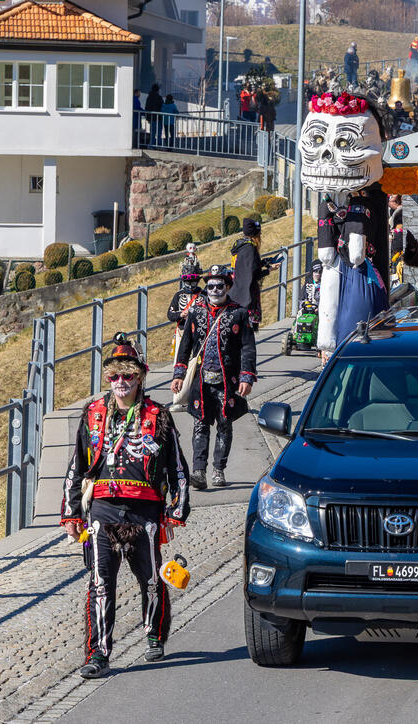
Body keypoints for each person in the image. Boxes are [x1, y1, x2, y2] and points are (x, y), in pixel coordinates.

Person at [60, 332, 190, 679]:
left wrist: (177, 509)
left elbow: (177, 466)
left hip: (144, 511)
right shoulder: (93, 414)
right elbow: (77, 464)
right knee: (101, 582)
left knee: (149, 580)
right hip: (102, 510)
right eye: (114, 376)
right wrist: (71, 511)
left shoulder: (158, 416)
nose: (121, 382)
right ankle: (98, 654)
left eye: (128, 376)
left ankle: (154, 634)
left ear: (140, 377)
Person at [170, 265, 256, 490]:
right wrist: (178, 374)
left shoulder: (239, 313)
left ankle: (219, 469)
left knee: (225, 425)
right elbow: (185, 346)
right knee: (200, 425)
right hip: (202, 381)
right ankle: (199, 471)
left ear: (227, 286)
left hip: (228, 381)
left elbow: (248, 347)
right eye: (210, 286)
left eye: (219, 285)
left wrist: (246, 377)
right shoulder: (196, 312)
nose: (214, 290)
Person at [228, 218, 272, 330]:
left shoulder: (242, 246)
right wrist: (269, 270)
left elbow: (247, 268)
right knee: (247, 336)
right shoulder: (250, 249)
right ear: (255, 235)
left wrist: (263, 263)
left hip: (239, 294)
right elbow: (252, 275)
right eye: (260, 234)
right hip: (247, 298)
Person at [167, 260, 204, 360]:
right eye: (187, 282)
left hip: (200, 332)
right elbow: (170, 314)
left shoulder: (204, 295)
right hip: (182, 331)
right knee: (180, 359)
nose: (190, 285)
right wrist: (181, 314)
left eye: (193, 281)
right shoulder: (178, 295)